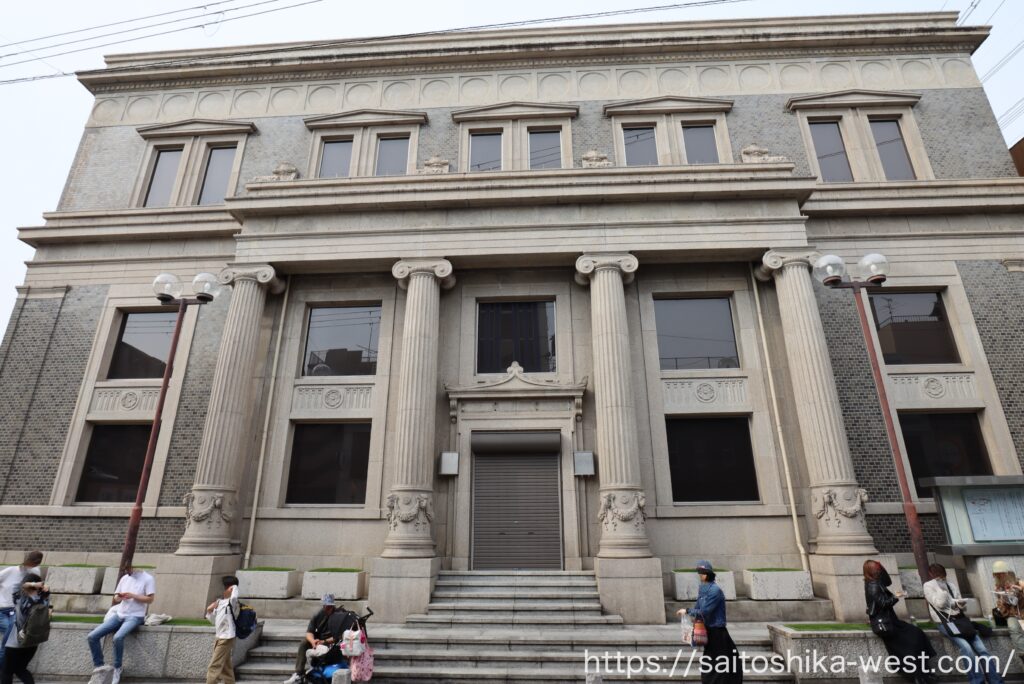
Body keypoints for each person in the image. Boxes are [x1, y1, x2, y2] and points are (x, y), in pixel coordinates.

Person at [923, 563, 1003, 684]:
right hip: (945, 622)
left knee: (982, 649)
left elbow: (959, 603)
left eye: (943, 576)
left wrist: (958, 603)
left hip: (960, 620)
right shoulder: (928, 586)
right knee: (966, 648)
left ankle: (996, 680)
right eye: (939, 577)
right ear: (932, 575)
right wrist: (942, 591)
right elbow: (939, 604)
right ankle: (977, 681)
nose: (942, 579)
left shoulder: (951, 585)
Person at [864, 560, 936, 684]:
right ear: (871, 571)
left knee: (916, 635)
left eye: (878, 568)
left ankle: (923, 674)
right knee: (911, 643)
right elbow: (884, 604)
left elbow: (888, 581)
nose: (878, 570)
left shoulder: (876, 582)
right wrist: (896, 597)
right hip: (886, 624)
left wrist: (882, 567)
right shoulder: (873, 586)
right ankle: (919, 676)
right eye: (876, 568)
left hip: (891, 621)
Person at [86, 565, 156, 684]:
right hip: (119, 614)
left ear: (136, 566)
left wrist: (133, 595)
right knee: (92, 636)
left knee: (118, 637)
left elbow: (150, 599)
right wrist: (120, 597)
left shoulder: (148, 578)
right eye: (125, 569)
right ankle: (100, 668)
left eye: (128, 569)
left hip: (135, 616)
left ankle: (117, 668)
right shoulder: (124, 578)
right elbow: (116, 598)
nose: (126, 571)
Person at [676, 560, 742, 684]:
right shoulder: (703, 589)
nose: (699, 576)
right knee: (713, 663)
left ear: (706, 575)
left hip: (718, 632)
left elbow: (705, 611)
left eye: (701, 573)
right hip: (708, 631)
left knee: (724, 662)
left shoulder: (715, 591)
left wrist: (687, 611)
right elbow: (698, 608)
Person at [282, 594, 355, 684]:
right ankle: (298, 673)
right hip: (319, 640)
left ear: (333, 606)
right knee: (304, 643)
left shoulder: (339, 615)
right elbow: (309, 632)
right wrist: (313, 641)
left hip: (332, 641)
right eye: (325, 606)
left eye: (329, 606)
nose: (327, 608)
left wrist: (324, 641)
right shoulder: (318, 614)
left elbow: (340, 635)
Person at [0, 552, 44, 676]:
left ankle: (5, 671)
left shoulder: (35, 572)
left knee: (12, 636)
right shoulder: (10, 571)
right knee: (11, 636)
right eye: (31, 563)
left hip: (17, 611)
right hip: (2, 609)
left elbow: (35, 592)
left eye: (35, 563)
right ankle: (5, 671)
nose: (31, 566)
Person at [2, 573, 49, 684]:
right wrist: (40, 585)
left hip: (15, 642)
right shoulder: (44, 599)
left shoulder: (20, 598)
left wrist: (32, 584)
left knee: (6, 671)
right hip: (32, 641)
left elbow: (20, 586)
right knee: (20, 669)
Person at [205, 575, 240, 684]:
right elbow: (214, 622)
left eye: (226, 587)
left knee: (214, 666)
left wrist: (234, 586)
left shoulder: (233, 602)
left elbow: (234, 596)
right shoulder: (220, 602)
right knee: (226, 667)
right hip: (219, 636)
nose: (224, 590)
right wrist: (209, 611)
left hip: (226, 637)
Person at [992, 560, 1024, 667]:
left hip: (1022, 612)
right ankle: (1023, 654)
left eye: (1001, 574)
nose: (1000, 576)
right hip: (1012, 615)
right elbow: (1001, 606)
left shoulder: (1019, 582)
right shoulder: (998, 587)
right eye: (997, 575)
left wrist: (1020, 590)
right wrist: (1002, 599)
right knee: (1013, 628)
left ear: (1007, 573)